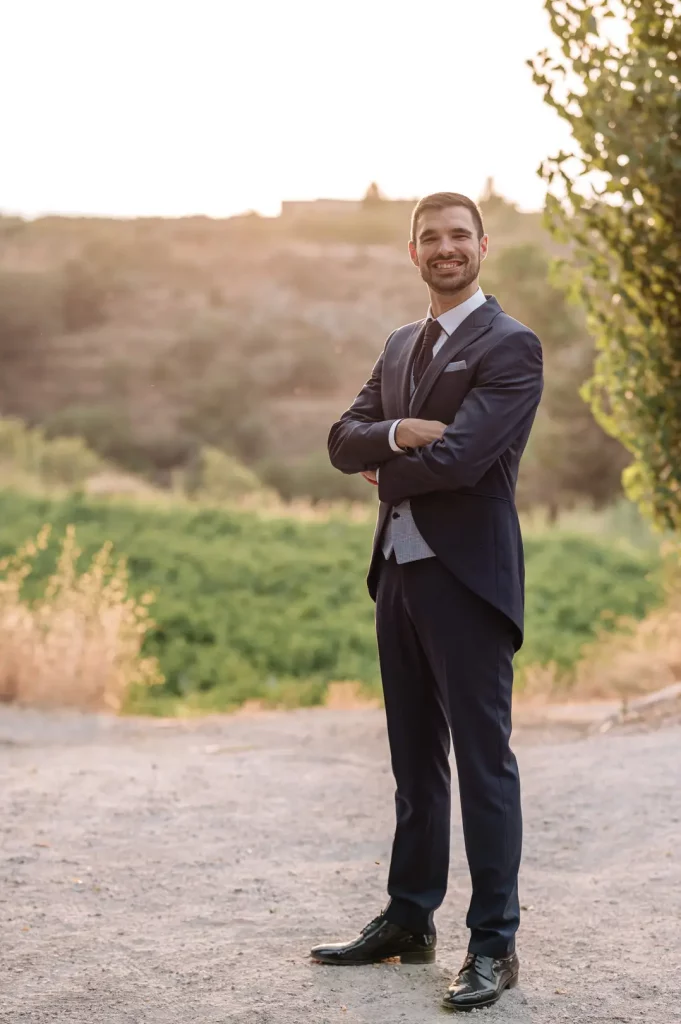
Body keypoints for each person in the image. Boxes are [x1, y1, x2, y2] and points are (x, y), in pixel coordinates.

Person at [311, 192, 544, 1012]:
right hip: (398, 574)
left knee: (483, 765)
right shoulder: (400, 343)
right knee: (414, 762)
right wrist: (398, 434)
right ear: (412, 252)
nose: (445, 249)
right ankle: (410, 919)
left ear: (482, 245)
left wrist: (390, 458)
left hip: (469, 578)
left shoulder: (511, 344)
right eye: (429, 238)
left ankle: (494, 944)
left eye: (458, 236)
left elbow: (469, 457)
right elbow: (343, 439)